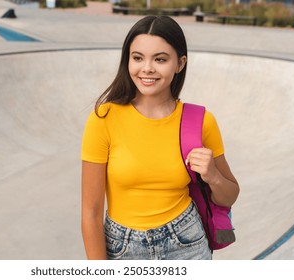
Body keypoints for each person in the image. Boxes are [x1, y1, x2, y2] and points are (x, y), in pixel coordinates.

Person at [81, 15, 239, 260]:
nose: (147, 68)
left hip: (187, 243)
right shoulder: (104, 119)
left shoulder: (201, 121)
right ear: (128, 61)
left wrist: (213, 176)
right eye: (137, 58)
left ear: (180, 63)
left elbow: (230, 195)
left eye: (160, 59)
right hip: (122, 249)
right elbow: (90, 213)